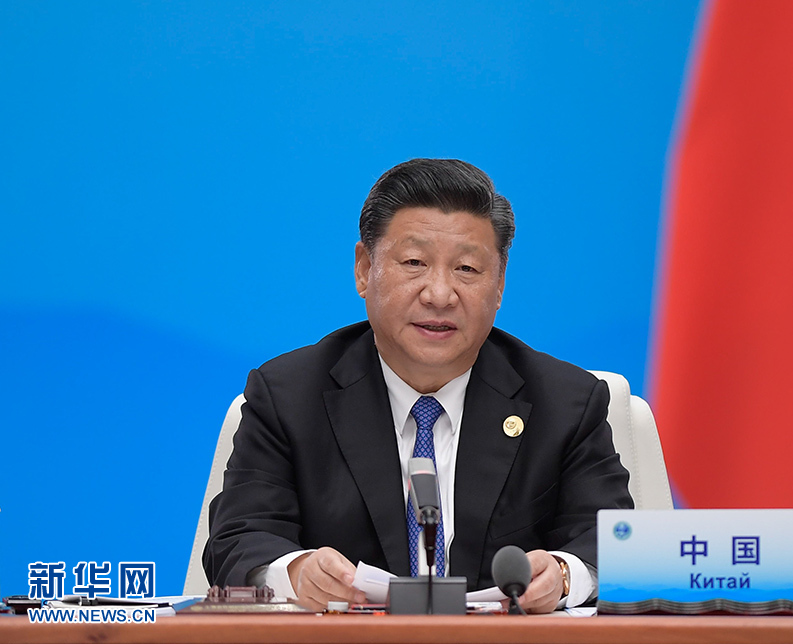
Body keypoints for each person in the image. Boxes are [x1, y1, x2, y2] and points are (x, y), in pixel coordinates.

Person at [203, 158, 633, 613]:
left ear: (500, 284)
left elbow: (616, 542)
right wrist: (295, 571)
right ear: (364, 269)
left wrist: (564, 575)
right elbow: (239, 539)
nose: (440, 294)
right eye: (414, 262)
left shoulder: (565, 402)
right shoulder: (289, 396)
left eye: (467, 268)